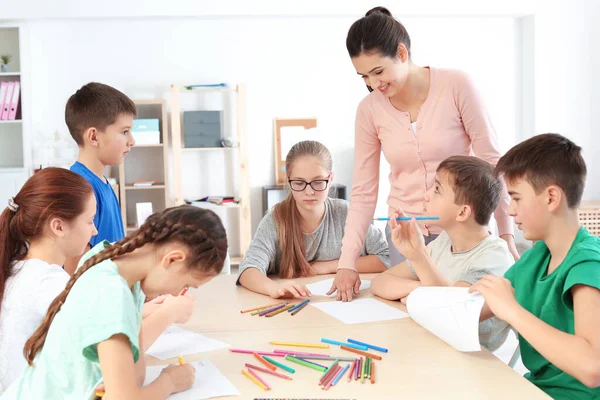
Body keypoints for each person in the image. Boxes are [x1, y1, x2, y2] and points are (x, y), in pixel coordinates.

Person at [332, 6, 518, 301]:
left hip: (462, 231)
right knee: (413, 318)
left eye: (378, 71)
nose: (372, 84)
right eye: (364, 76)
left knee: (459, 312)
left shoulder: (457, 85)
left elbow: (492, 164)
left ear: (402, 54)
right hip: (407, 237)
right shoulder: (369, 110)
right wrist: (347, 262)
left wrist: (507, 233)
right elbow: (364, 191)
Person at [1, 206, 228, 399]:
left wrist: (124, 386)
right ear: (173, 259)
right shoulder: (111, 295)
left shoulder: (114, 262)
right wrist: (169, 383)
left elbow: (133, 377)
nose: (180, 293)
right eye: (186, 284)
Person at [471, 133, 600, 398]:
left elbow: (592, 368)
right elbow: (476, 307)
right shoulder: (537, 256)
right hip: (534, 389)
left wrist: (512, 310)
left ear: (551, 197)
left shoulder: (589, 264)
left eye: (516, 198)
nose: (510, 210)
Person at [371, 156, 514, 351]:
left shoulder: (493, 257)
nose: (427, 194)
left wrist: (419, 257)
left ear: (462, 212)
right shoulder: (444, 241)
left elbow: (451, 310)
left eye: (437, 189)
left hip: (472, 357)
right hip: (435, 342)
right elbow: (380, 283)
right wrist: (421, 290)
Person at [238, 141, 389, 298]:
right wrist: (273, 288)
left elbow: (386, 258)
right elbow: (248, 269)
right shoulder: (275, 220)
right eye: (299, 182)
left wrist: (329, 267)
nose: (309, 191)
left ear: (330, 179)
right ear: (289, 181)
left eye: (317, 182)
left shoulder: (347, 213)